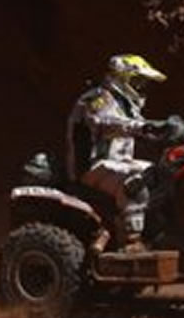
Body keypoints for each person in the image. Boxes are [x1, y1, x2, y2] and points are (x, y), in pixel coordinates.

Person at [67, 54, 177, 252]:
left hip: (116, 163)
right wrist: (148, 128)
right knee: (135, 183)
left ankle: (157, 234)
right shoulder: (97, 99)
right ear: (121, 78)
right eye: (138, 82)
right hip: (91, 168)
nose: (142, 87)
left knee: (165, 172)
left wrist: (178, 130)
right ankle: (130, 243)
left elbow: (141, 128)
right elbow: (106, 124)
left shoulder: (124, 105)